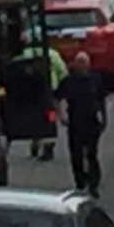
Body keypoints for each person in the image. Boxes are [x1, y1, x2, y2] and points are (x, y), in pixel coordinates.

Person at [54, 50, 107, 197]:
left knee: (91, 154)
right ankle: (80, 182)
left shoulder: (95, 79)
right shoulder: (68, 81)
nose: (83, 67)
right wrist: (61, 116)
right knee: (76, 155)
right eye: (80, 63)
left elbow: (101, 100)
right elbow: (56, 98)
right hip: (75, 123)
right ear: (75, 65)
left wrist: (104, 118)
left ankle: (93, 184)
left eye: (85, 63)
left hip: (92, 122)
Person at [16, 30, 68, 160]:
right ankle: (49, 147)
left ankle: (35, 142)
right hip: (50, 93)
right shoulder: (52, 54)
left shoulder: (24, 55)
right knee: (50, 118)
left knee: (33, 118)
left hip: (31, 94)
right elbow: (63, 72)